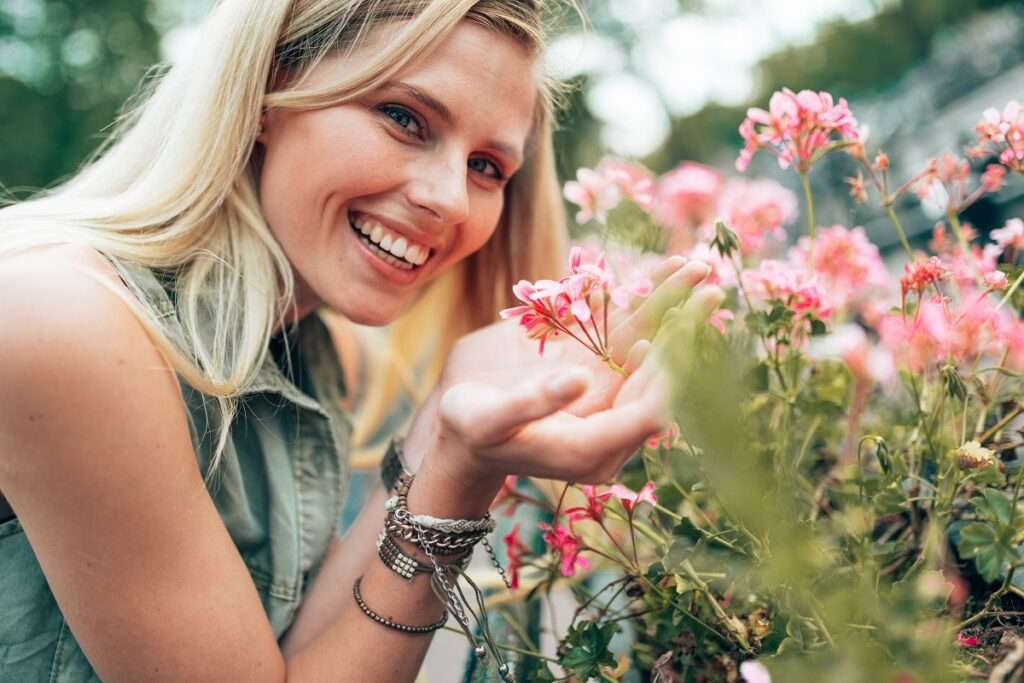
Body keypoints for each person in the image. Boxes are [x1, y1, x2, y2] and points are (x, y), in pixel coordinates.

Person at [0, 0, 723, 681]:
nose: (446, 198)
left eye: (486, 167)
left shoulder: (313, 353)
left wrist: (448, 429)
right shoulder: (65, 319)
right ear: (268, 89)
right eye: (405, 118)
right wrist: (457, 474)